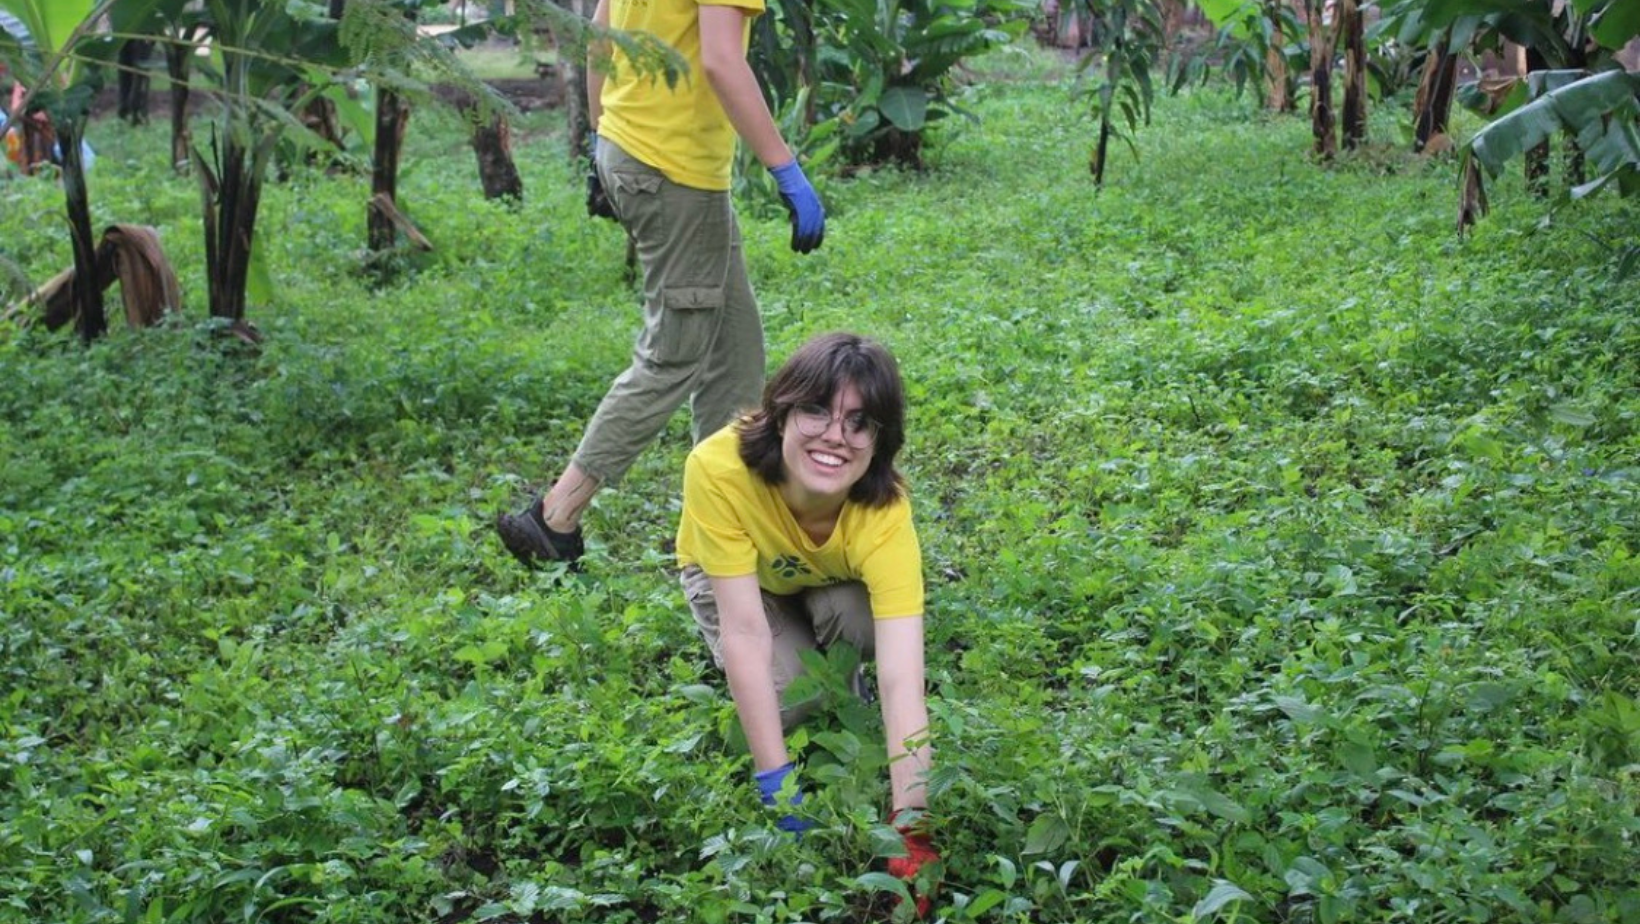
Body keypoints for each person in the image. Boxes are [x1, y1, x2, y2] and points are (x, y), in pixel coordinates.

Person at [495, 0, 825, 568]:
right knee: (674, 353)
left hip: (635, 149)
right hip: (675, 171)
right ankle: (554, 515)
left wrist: (603, 136)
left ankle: (728, 509)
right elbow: (723, 61)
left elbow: (600, 34)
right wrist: (784, 166)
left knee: (734, 345)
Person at [675, 332, 939, 916]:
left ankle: (836, 668)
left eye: (858, 422)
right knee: (788, 697)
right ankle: (813, 670)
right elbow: (744, 631)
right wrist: (777, 785)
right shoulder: (718, 468)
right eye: (816, 410)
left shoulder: (885, 511)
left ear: (881, 439)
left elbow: (902, 678)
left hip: (826, 582)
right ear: (781, 412)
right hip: (738, 581)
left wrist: (913, 824)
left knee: (858, 620)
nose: (833, 436)